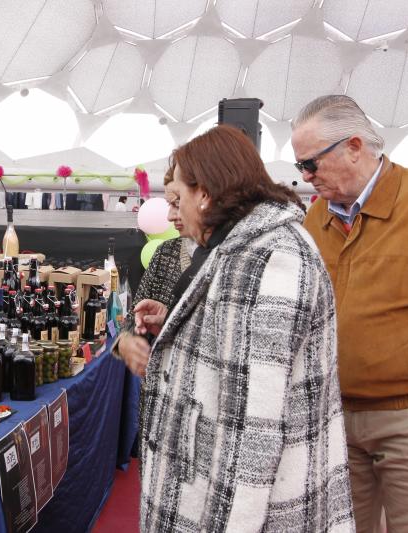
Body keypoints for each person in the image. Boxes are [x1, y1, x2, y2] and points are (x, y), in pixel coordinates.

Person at [135, 125, 354, 532]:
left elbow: (250, 436)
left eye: (177, 199)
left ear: (205, 193)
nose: (170, 214)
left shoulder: (264, 261)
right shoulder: (247, 247)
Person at [292, 94, 408, 532]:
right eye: (301, 167)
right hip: (337, 418)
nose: (306, 176)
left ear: (354, 146)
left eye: (311, 164)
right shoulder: (316, 220)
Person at [113, 164, 196, 376]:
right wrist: (126, 342)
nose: (170, 215)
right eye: (170, 204)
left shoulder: (226, 257)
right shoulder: (165, 252)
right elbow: (135, 315)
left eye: (178, 204)